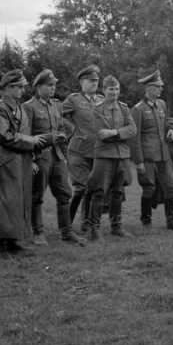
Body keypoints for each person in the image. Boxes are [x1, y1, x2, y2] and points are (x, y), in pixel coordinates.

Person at [0, 70, 47, 257]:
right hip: (5, 161)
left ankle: (13, 241)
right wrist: (31, 141)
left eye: (22, 86)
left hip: (20, 161)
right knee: (4, 202)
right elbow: (4, 136)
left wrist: (32, 148)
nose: (21, 90)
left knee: (17, 202)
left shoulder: (20, 107)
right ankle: (0, 243)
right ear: (8, 88)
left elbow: (22, 133)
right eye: (17, 87)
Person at [23, 69, 85, 246]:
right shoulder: (29, 107)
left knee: (65, 193)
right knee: (37, 196)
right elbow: (25, 135)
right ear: (39, 87)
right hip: (40, 157)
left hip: (57, 156)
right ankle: (38, 233)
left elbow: (63, 125)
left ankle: (66, 233)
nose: (53, 88)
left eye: (54, 85)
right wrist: (31, 159)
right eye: (49, 86)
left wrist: (64, 134)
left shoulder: (56, 105)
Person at [130, 70, 173, 232]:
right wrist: (139, 161)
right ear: (148, 88)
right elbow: (134, 138)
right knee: (149, 187)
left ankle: (171, 221)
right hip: (148, 157)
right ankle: (146, 220)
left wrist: (171, 130)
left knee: (171, 185)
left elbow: (166, 123)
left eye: (161, 86)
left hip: (164, 155)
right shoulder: (138, 109)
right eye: (157, 87)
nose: (161, 89)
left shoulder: (161, 104)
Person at [88, 75, 137, 241]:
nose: (114, 92)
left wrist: (115, 132)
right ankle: (94, 229)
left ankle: (117, 227)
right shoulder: (97, 109)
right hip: (104, 155)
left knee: (118, 192)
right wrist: (119, 133)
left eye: (116, 89)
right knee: (99, 191)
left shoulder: (124, 108)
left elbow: (133, 129)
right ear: (104, 90)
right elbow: (102, 134)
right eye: (111, 89)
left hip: (122, 156)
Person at [62, 65, 105, 232]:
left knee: (92, 188)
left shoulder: (101, 99)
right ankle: (67, 223)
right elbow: (57, 115)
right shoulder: (73, 99)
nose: (94, 84)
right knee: (82, 188)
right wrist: (70, 127)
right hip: (78, 152)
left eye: (96, 81)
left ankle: (86, 223)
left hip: (96, 151)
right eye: (90, 81)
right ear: (82, 82)